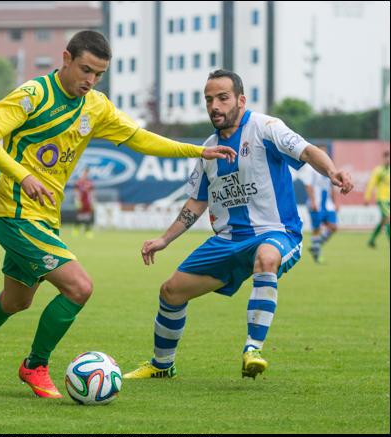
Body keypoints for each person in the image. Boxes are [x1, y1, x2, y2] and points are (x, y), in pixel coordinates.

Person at [0, 31, 236, 399]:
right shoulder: (34, 95)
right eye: (85, 70)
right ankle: (35, 366)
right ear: (65, 58)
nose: (90, 81)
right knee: (79, 287)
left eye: (98, 75)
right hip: (15, 215)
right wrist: (23, 176)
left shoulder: (96, 106)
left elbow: (139, 138)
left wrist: (195, 151)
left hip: (44, 219)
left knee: (15, 301)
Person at [124, 70, 353, 381]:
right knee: (171, 292)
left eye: (222, 98)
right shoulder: (208, 149)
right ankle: (162, 366)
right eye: (209, 100)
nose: (214, 106)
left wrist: (333, 172)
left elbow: (309, 151)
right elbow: (197, 201)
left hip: (276, 232)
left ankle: (252, 349)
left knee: (267, 258)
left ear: (241, 100)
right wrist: (165, 239)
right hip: (229, 240)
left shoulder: (266, 127)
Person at [298, 146, 339, 263]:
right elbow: (308, 185)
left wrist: (335, 202)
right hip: (316, 203)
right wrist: (313, 201)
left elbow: (332, 186)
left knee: (333, 227)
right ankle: (317, 255)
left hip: (328, 204)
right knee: (316, 229)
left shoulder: (331, 168)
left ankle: (315, 247)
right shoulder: (311, 168)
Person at [364, 150, 390, 248]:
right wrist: (367, 197)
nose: (388, 160)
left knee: (383, 221)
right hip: (382, 199)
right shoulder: (378, 170)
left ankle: (371, 240)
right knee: (388, 218)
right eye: (387, 157)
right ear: (383, 159)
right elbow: (371, 184)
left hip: (389, 199)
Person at [74, 167, 95, 238]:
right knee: (79, 216)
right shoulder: (78, 182)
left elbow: (92, 193)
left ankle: (87, 231)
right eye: (84, 173)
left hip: (87, 202)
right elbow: (76, 192)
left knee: (87, 216)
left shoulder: (89, 183)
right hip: (81, 201)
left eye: (87, 173)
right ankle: (76, 229)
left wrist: (92, 202)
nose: (85, 174)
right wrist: (77, 201)